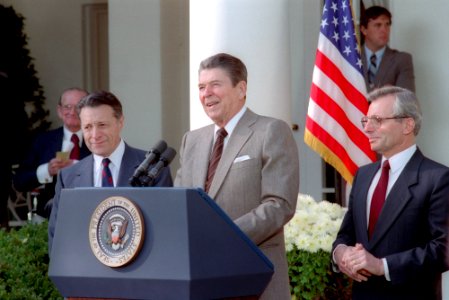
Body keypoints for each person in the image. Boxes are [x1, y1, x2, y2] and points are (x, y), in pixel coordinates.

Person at [174, 53, 299, 299]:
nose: (206, 93)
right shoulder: (192, 140)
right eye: (201, 87)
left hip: (253, 280)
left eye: (215, 85)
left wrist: (223, 236)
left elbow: (279, 205)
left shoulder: (271, 131)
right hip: (200, 281)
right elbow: (180, 206)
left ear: (241, 89)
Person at [332, 86, 449, 299]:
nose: (367, 128)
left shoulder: (438, 178)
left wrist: (382, 266)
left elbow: (443, 250)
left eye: (377, 120)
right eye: (366, 121)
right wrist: (340, 253)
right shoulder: (363, 176)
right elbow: (346, 234)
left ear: (407, 124)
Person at [48, 90, 173, 252]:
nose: (94, 135)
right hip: (86, 273)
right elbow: (57, 236)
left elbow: (164, 230)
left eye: (102, 125)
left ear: (120, 122)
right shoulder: (68, 176)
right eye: (87, 127)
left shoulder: (153, 168)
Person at [13, 87, 91, 219]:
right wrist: (47, 170)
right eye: (67, 107)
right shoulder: (43, 140)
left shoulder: (98, 140)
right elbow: (20, 181)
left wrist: (79, 167)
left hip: (90, 213)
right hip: (48, 216)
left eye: (79, 106)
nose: (72, 112)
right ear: (59, 111)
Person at [360, 6, 415, 92]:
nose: (384, 30)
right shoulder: (351, 58)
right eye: (378, 25)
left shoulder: (402, 59)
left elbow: (406, 99)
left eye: (387, 24)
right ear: (364, 30)